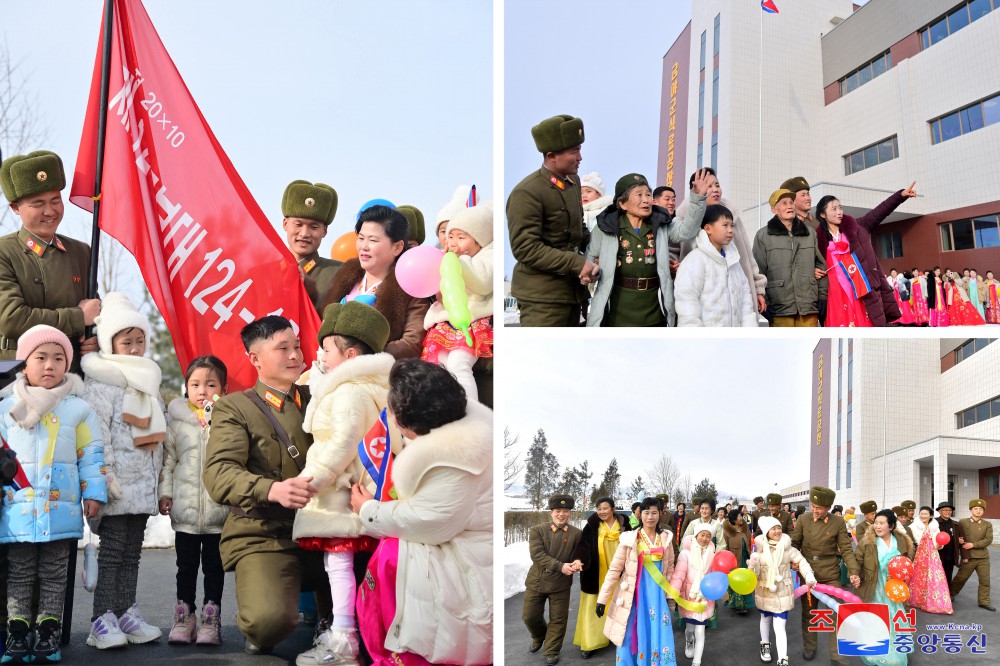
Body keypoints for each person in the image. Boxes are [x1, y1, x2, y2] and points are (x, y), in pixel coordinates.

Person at [349, 360, 492, 665]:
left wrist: (368, 510)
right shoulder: (462, 431)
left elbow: (426, 522)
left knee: (391, 556)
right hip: (469, 546)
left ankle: (396, 653)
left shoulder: (453, 460)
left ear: (408, 421)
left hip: (466, 566)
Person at [203, 315, 326, 654]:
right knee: (268, 623)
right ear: (255, 358)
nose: (295, 356)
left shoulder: (322, 396)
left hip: (327, 528)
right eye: (282, 348)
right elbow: (219, 473)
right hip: (266, 532)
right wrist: (271, 489)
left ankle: (330, 614)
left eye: (297, 347)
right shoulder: (234, 407)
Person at [290, 302, 396, 665]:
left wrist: (311, 481)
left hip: (339, 493)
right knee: (363, 568)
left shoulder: (349, 391)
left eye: (327, 348)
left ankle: (344, 639)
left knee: (338, 566)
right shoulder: (376, 387)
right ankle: (365, 636)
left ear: (350, 354)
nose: (320, 355)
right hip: (367, 494)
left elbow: (340, 443)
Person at [0, 325, 107, 662]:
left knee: (55, 572)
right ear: (24, 364)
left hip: (61, 509)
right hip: (16, 508)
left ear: (68, 365)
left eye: (58, 358)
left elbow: (91, 454)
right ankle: (17, 630)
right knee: (19, 571)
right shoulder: (5, 408)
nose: (50, 365)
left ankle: (49, 629)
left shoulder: (78, 409)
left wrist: (93, 493)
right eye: (41, 358)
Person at [80, 293, 166, 650]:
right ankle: (101, 619)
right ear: (108, 343)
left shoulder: (148, 378)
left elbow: (159, 440)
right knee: (113, 552)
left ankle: (125, 611)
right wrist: (104, 482)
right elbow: (97, 437)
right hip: (116, 486)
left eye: (139, 341)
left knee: (132, 553)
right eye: (125, 341)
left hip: (143, 485)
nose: (134, 348)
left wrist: (159, 482)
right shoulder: (102, 381)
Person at [0, 151, 101, 375]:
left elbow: (95, 312)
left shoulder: (80, 252)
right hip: (18, 378)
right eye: (38, 204)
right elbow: (12, 319)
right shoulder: (4, 252)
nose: (50, 211)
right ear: (15, 208)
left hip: (71, 376)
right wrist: (77, 317)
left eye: (55, 200)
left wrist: (95, 338)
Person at [160, 356, 230, 645]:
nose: (202, 391)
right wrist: (165, 493)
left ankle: (210, 619)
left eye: (211, 384)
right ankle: (184, 616)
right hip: (185, 513)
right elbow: (168, 462)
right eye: (196, 384)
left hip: (218, 513)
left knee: (215, 568)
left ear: (223, 390)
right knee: (185, 567)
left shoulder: (228, 421)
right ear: (185, 387)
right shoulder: (177, 423)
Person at [586, 171, 709, 326]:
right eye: (639, 195)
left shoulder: (661, 223)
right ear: (623, 203)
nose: (646, 200)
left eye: (648, 194)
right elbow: (589, 262)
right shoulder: (606, 227)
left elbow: (687, 231)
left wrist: (697, 199)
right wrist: (592, 273)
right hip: (618, 312)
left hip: (655, 309)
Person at [507, 115, 596, 326]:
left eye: (580, 150)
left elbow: (579, 230)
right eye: (574, 151)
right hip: (542, 300)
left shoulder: (573, 182)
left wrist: (596, 252)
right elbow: (525, 248)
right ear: (551, 155)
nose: (580, 157)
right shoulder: (527, 192)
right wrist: (576, 263)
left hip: (573, 293)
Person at [323, 205, 430, 358]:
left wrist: (364, 354)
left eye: (373, 240)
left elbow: (412, 343)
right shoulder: (345, 277)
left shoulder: (409, 286)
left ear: (397, 247)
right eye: (361, 238)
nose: (364, 247)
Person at [814, 186, 916, 326]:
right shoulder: (817, 238)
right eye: (834, 209)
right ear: (822, 215)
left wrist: (901, 195)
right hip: (835, 292)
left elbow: (879, 212)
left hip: (860, 290)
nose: (839, 212)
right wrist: (814, 270)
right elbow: (807, 262)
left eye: (840, 207)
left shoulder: (856, 226)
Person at [422, 203, 493, 401]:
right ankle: (445, 410)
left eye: (462, 238)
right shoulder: (444, 258)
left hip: (473, 320)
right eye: (450, 236)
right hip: (446, 320)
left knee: (459, 364)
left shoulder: (488, 256)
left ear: (479, 240)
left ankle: (471, 411)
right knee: (439, 366)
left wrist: (457, 261)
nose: (454, 242)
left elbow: (483, 281)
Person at [596, 497, 677, 666]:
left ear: (660, 514)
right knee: (630, 633)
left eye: (654, 512)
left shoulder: (666, 539)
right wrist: (602, 599)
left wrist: (671, 596)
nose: (650, 517)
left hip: (657, 596)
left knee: (657, 631)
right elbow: (614, 570)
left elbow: (670, 569)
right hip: (634, 595)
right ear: (640, 515)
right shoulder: (629, 539)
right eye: (646, 513)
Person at [675, 169, 767, 315]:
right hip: (704, 298)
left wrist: (758, 289)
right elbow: (672, 252)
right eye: (709, 186)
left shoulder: (732, 218)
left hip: (737, 294)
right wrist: (674, 264)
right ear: (695, 189)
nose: (715, 190)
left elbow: (748, 257)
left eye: (717, 185)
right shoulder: (683, 219)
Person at [791, 486, 859, 663]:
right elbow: (795, 543)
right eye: (812, 506)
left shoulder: (838, 522)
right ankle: (809, 647)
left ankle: (837, 655)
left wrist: (853, 571)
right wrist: (793, 560)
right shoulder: (803, 519)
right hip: (808, 573)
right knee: (809, 613)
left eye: (818, 508)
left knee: (837, 613)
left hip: (830, 573)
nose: (814, 510)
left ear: (828, 508)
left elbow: (845, 548)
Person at [524, 494, 583, 666]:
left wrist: (579, 560)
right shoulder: (537, 530)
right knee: (529, 616)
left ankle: (551, 650)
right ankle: (538, 636)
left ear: (570, 513)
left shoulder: (576, 534)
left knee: (558, 619)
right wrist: (560, 566)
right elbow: (537, 555)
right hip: (537, 581)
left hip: (561, 584)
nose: (561, 514)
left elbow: (580, 551)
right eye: (558, 510)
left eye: (565, 511)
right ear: (551, 512)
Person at [748, 516, 816, 666]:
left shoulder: (788, 548)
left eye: (778, 528)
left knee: (780, 625)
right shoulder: (758, 551)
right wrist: (753, 565)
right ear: (766, 532)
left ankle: (783, 658)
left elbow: (802, 561)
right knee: (765, 619)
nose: (777, 531)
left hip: (782, 592)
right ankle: (765, 645)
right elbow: (753, 575)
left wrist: (809, 575)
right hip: (765, 591)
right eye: (773, 529)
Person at [752, 189, 826, 327]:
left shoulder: (810, 233)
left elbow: (821, 265)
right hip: (779, 307)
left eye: (791, 202)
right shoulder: (763, 236)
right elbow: (758, 271)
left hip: (808, 305)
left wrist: (823, 297)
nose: (790, 206)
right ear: (774, 210)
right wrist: (764, 299)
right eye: (784, 203)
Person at [675, 204, 758, 327]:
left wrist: (749, 335)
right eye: (725, 225)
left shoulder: (734, 261)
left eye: (732, 225)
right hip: (707, 342)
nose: (730, 230)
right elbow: (687, 303)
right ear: (708, 228)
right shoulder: (695, 260)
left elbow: (746, 303)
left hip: (733, 341)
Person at [855, 509, 915, 666]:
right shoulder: (867, 542)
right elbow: (857, 560)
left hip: (894, 589)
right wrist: (854, 574)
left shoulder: (902, 541)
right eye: (876, 523)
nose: (877, 526)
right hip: (874, 587)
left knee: (895, 618)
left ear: (891, 526)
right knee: (877, 620)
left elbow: (907, 563)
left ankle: (897, 652)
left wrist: (900, 576)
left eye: (882, 523)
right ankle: (877, 654)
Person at [571, 496, 627, 659]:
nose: (602, 511)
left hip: (619, 573)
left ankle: (617, 636)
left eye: (605, 508)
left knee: (619, 604)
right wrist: (578, 559)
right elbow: (583, 545)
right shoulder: (592, 526)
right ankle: (590, 642)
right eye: (599, 508)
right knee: (593, 606)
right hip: (596, 572)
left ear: (613, 509)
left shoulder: (624, 524)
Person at [281, 180, 342, 313]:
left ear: (324, 231)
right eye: (298, 224)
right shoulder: (262, 271)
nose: (304, 234)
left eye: (314, 227)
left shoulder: (339, 273)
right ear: (285, 224)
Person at [669, 525, 717, 666]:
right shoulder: (686, 554)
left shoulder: (712, 554)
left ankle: (697, 662)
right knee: (690, 628)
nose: (705, 538)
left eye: (708, 536)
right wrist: (672, 593)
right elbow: (679, 574)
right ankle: (689, 640)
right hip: (689, 598)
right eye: (702, 535)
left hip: (705, 599)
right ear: (696, 536)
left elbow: (715, 575)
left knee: (700, 631)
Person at [950, 498, 995, 611]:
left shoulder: (987, 524)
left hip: (983, 557)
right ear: (971, 510)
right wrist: (960, 542)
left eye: (981, 509)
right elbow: (957, 537)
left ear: (983, 511)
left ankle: (984, 601)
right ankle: (950, 595)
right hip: (968, 557)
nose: (978, 511)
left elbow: (988, 540)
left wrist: (973, 544)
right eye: (976, 508)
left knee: (985, 581)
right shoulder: (962, 522)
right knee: (960, 578)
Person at [908, 505, 952, 615]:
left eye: (925, 514)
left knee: (934, 577)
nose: (923, 515)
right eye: (921, 513)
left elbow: (939, 540)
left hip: (933, 556)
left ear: (931, 515)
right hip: (919, 556)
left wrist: (939, 545)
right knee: (918, 577)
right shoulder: (913, 526)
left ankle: (933, 601)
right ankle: (918, 600)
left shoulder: (935, 526)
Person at [722, 509, 754, 615]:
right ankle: (738, 605)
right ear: (734, 519)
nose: (741, 518)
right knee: (736, 581)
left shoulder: (744, 529)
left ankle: (746, 603)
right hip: (734, 561)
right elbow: (725, 547)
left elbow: (750, 541)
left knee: (745, 580)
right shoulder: (727, 531)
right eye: (739, 516)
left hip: (745, 559)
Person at [935, 501, 963, 588]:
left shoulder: (956, 524)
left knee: (948, 575)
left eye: (950, 510)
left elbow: (960, 538)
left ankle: (948, 594)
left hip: (951, 555)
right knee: (937, 576)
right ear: (939, 511)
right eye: (945, 510)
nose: (948, 512)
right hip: (938, 555)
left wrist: (959, 541)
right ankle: (937, 595)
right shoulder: (934, 522)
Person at [434, 185, 472, 250]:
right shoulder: (434, 256)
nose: (448, 236)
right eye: (443, 231)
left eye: (459, 235)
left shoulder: (476, 258)